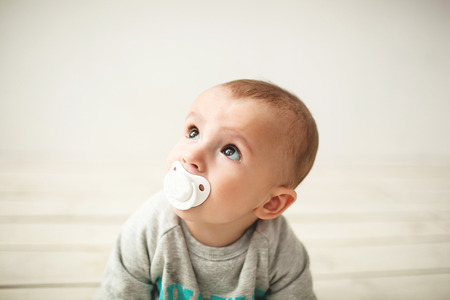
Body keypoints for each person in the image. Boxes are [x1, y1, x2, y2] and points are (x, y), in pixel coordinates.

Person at [95, 79, 319, 299]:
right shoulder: (148, 230)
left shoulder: (280, 251)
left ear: (271, 203)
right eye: (194, 132)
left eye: (230, 151)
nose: (191, 156)